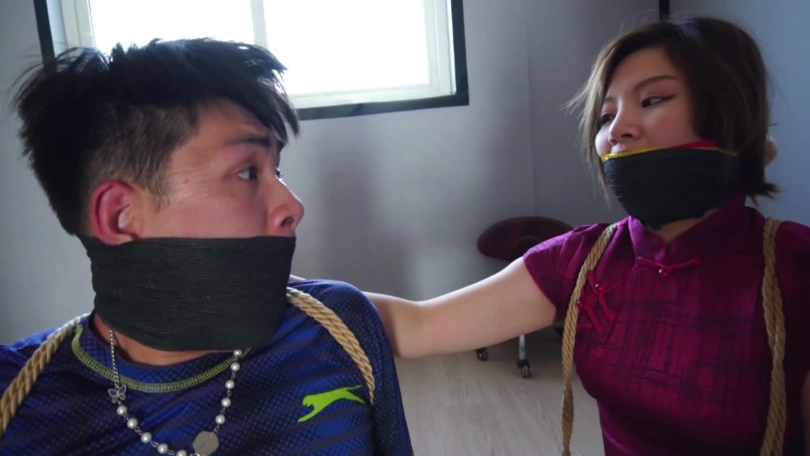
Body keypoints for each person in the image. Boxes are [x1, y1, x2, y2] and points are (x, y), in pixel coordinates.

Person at [352, 16, 810, 456]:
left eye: (653, 100)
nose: (618, 130)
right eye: (606, 116)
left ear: (727, 113)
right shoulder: (583, 260)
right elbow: (420, 327)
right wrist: (311, 296)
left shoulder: (795, 268)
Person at [0, 39, 412, 456]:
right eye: (247, 172)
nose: (293, 206)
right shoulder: (15, 404)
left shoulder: (338, 329)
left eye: (278, 170)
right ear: (119, 215)